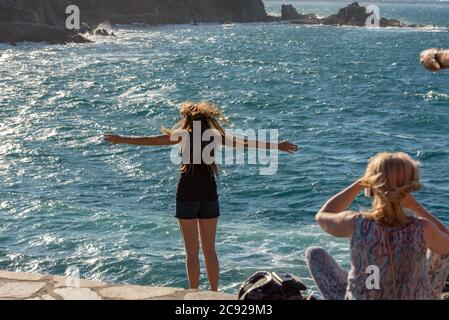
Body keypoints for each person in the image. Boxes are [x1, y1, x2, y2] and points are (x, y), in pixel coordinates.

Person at [104, 101, 298, 291]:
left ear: (187, 119)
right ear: (207, 120)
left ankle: (194, 292)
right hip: (209, 194)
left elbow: (152, 141)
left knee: (191, 252)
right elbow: (245, 143)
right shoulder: (214, 136)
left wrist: (121, 139)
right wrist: (277, 145)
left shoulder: (182, 136)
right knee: (210, 251)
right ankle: (214, 292)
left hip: (186, 194)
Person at [306, 152, 449, 300]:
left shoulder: (356, 223)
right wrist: (415, 206)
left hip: (366, 294)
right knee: (441, 249)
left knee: (314, 253)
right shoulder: (424, 228)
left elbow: (322, 216)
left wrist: (359, 184)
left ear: (372, 185)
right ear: (411, 187)